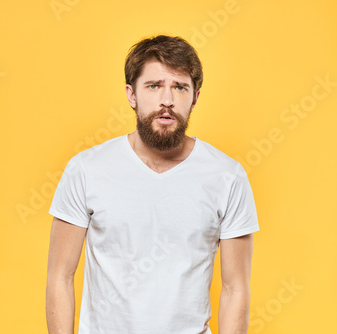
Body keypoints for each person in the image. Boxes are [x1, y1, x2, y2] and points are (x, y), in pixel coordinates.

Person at [46, 35, 259, 334]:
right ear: (132, 94)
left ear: (195, 97)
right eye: (154, 86)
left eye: (180, 87)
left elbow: (235, 288)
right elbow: (60, 276)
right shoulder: (86, 169)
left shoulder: (227, 177)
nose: (167, 101)